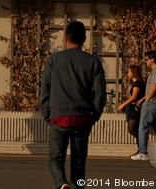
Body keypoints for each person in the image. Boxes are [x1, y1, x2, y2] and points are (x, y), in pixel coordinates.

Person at [41, 21, 106, 189]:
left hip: (58, 117)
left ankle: (62, 184)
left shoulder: (53, 60)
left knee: (56, 158)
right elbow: (100, 94)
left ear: (65, 38)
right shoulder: (93, 62)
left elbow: (45, 90)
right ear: (84, 39)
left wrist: (47, 115)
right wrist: (94, 116)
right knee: (79, 161)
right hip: (82, 118)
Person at [131, 50, 156, 161]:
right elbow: (152, 87)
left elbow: (155, 85)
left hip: (152, 102)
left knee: (143, 126)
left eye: (147, 59)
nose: (146, 62)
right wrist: (143, 99)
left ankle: (143, 152)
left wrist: (147, 100)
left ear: (152, 59)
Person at [117, 64, 145, 153]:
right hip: (134, 109)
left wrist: (122, 105)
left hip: (135, 110)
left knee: (132, 129)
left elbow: (134, 97)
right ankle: (141, 149)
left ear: (133, 72)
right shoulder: (136, 83)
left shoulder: (137, 83)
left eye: (129, 72)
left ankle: (143, 147)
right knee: (135, 129)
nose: (128, 74)